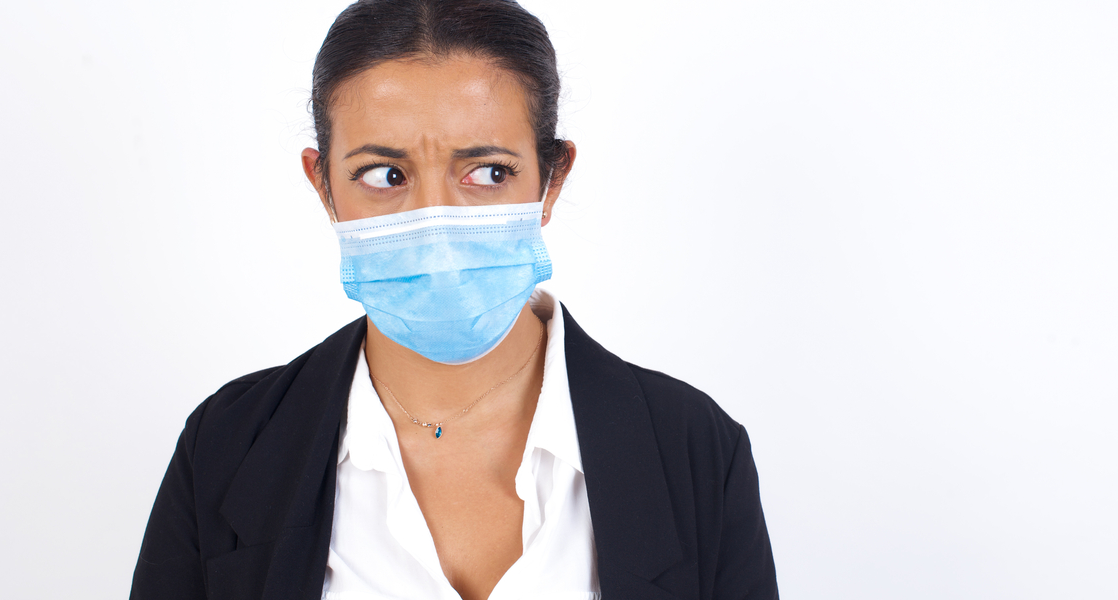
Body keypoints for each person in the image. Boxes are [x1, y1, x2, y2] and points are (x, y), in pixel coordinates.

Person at [129, 1, 778, 598]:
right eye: (384, 175)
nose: (434, 224)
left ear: (551, 181)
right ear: (324, 185)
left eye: (488, 173)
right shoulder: (226, 445)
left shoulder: (696, 451)